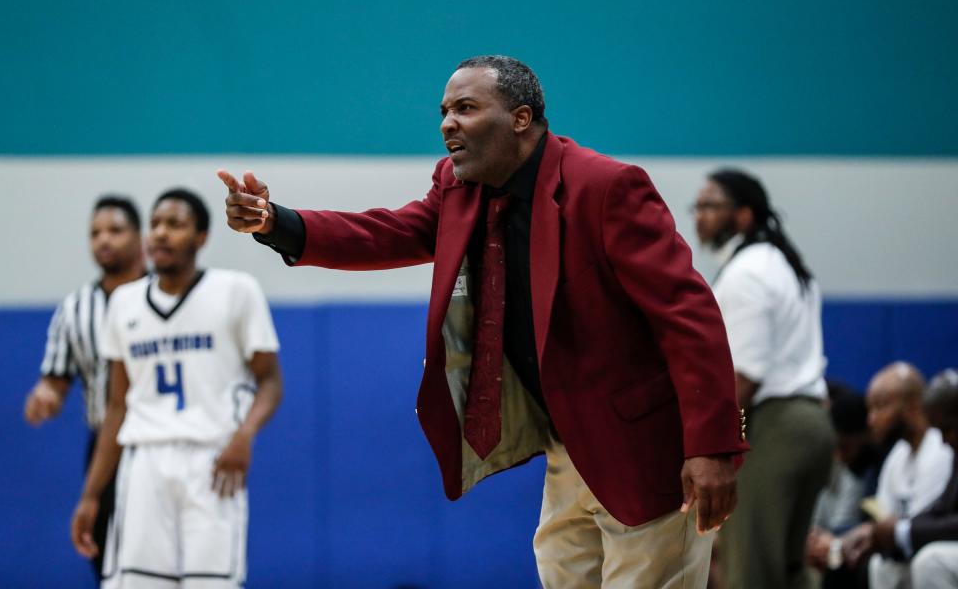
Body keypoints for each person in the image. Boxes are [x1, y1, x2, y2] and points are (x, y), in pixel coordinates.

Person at [218, 55, 746, 588]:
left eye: (466, 108)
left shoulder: (608, 187)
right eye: (444, 111)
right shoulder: (458, 185)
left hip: (647, 449)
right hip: (567, 448)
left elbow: (689, 316)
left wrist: (712, 448)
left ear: (520, 118)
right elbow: (389, 232)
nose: (447, 123)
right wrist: (277, 222)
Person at [70, 188, 283, 588]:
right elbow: (117, 407)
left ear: (201, 238)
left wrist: (244, 435)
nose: (161, 234)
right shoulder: (124, 304)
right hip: (144, 463)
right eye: (155, 225)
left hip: (214, 462)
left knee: (212, 583)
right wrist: (91, 495)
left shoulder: (237, 292)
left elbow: (270, 381)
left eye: (175, 224)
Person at [693, 169, 836, 589]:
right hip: (811, 425)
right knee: (791, 570)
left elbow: (744, 378)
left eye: (711, 206)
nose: (699, 216)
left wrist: (721, 446)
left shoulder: (748, 272)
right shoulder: (786, 265)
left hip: (774, 428)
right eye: (697, 206)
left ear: (743, 215)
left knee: (749, 571)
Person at [22, 195, 145, 580]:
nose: (103, 240)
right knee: (108, 560)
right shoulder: (75, 309)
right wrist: (47, 394)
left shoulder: (168, 295)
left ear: (139, 238)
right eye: (95, 233)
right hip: (104, 447)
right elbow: (56, 379)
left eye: (115, 230)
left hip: (162, 442)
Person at [842, 363, 954, 589]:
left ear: (913, 407)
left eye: (880, 407)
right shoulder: (897, 455)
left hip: (932, 545)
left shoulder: (941, 450)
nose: (871, 420)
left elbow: (928, 526)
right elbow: (885, 517)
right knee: (877, 564)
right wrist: (874, 532)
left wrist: (893, 531)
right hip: (911, 545)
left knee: (930, 561)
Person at [806, 383, 884, 588]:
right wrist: (816, 539)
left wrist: (832, 542)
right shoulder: (838, 462)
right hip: (839, 540)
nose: (841, 456)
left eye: (846, 447)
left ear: (867, 435)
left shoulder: (879, 466)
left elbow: (876, 523)